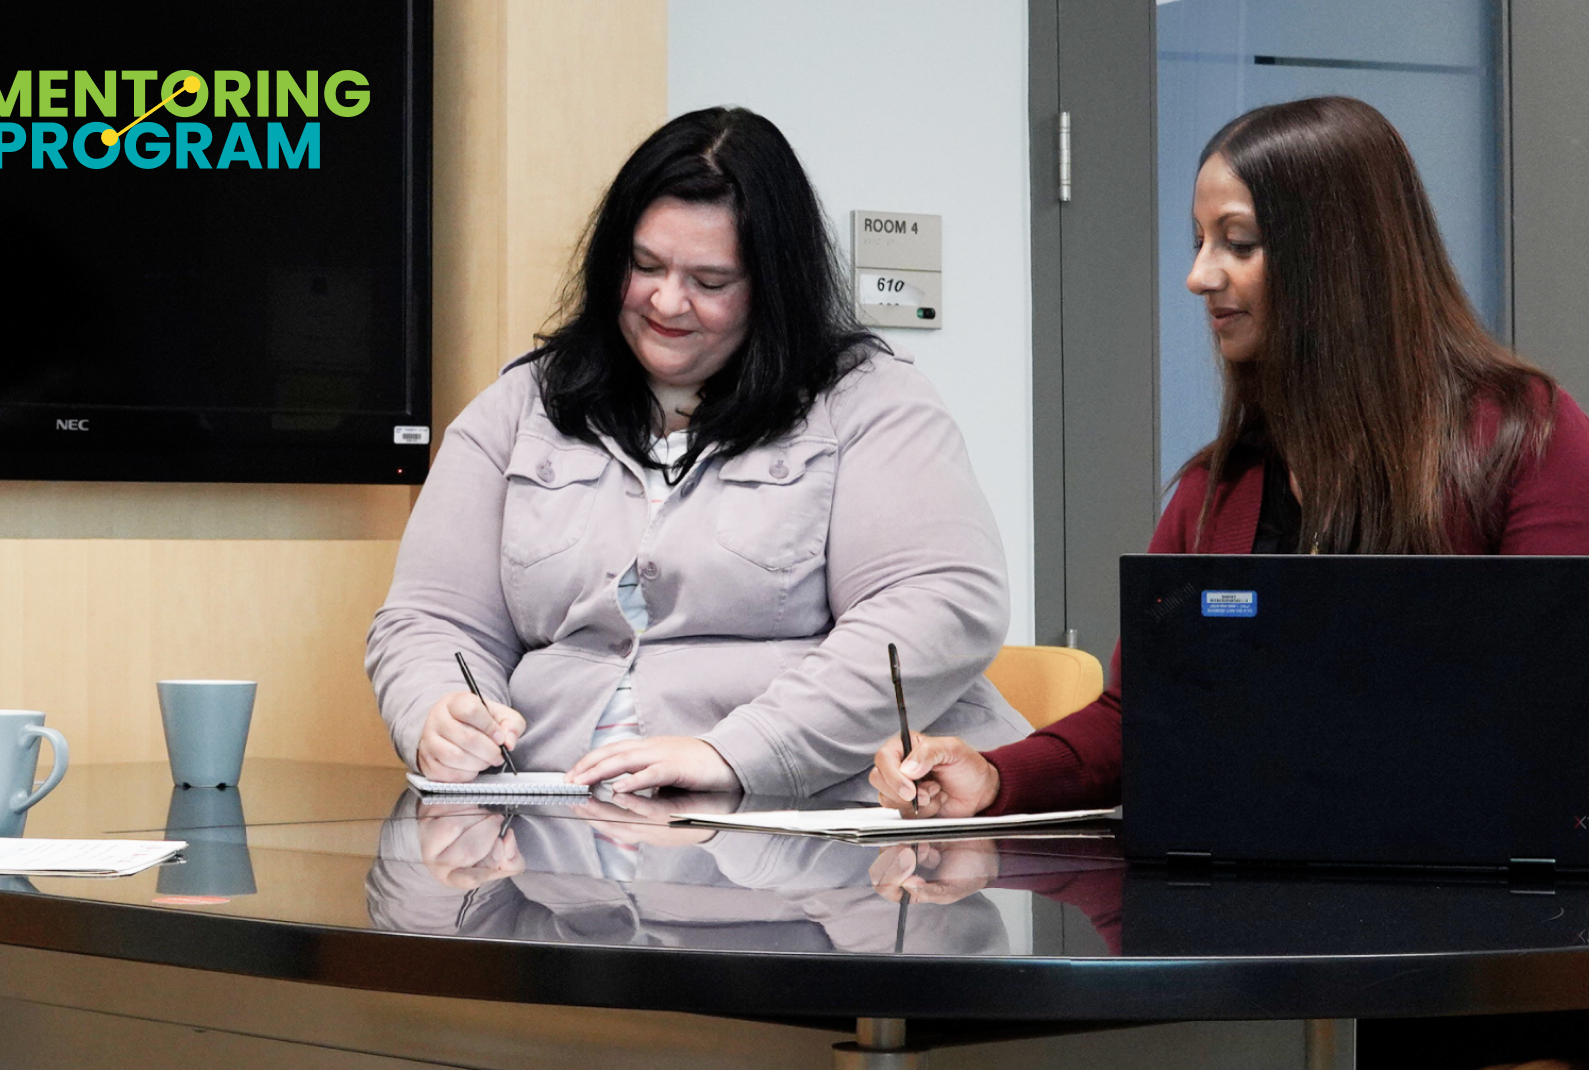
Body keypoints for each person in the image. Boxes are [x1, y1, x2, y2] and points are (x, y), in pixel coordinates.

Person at [870, 95, 1589, 820]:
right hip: (1256, 892)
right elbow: (1139, 717)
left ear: (1338, 258)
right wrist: (994, 776)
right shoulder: (1214, 487)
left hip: (1465, 901)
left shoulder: (1526, 435)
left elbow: (1558, 707)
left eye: (1238, 244)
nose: (1199, 275)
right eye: (1199, 241)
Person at [366, 106, 1027, 798]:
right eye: (644, 265)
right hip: (558, 832)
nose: (666, 302)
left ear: (773, 288)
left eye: (709, 283)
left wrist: (741, 751)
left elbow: (938, 604)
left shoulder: (871, 402)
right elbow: (430, 618)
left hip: (809, 828)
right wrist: (436, 712)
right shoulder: (520, 405)